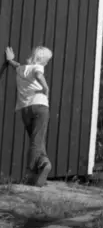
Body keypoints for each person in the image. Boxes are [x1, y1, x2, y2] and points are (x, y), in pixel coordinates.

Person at [4, 45, 54, 186]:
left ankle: (44, 163)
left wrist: (10, 60)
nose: (47, 62)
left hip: (25, 109)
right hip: (40, 106)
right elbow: (38, 74)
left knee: (36, 139)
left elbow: (17, 66)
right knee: (36, 141)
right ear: (41, 59)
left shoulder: (22, 69)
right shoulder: (38, 67)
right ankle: (30, 174)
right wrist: (45, 87)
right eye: (47, 60)